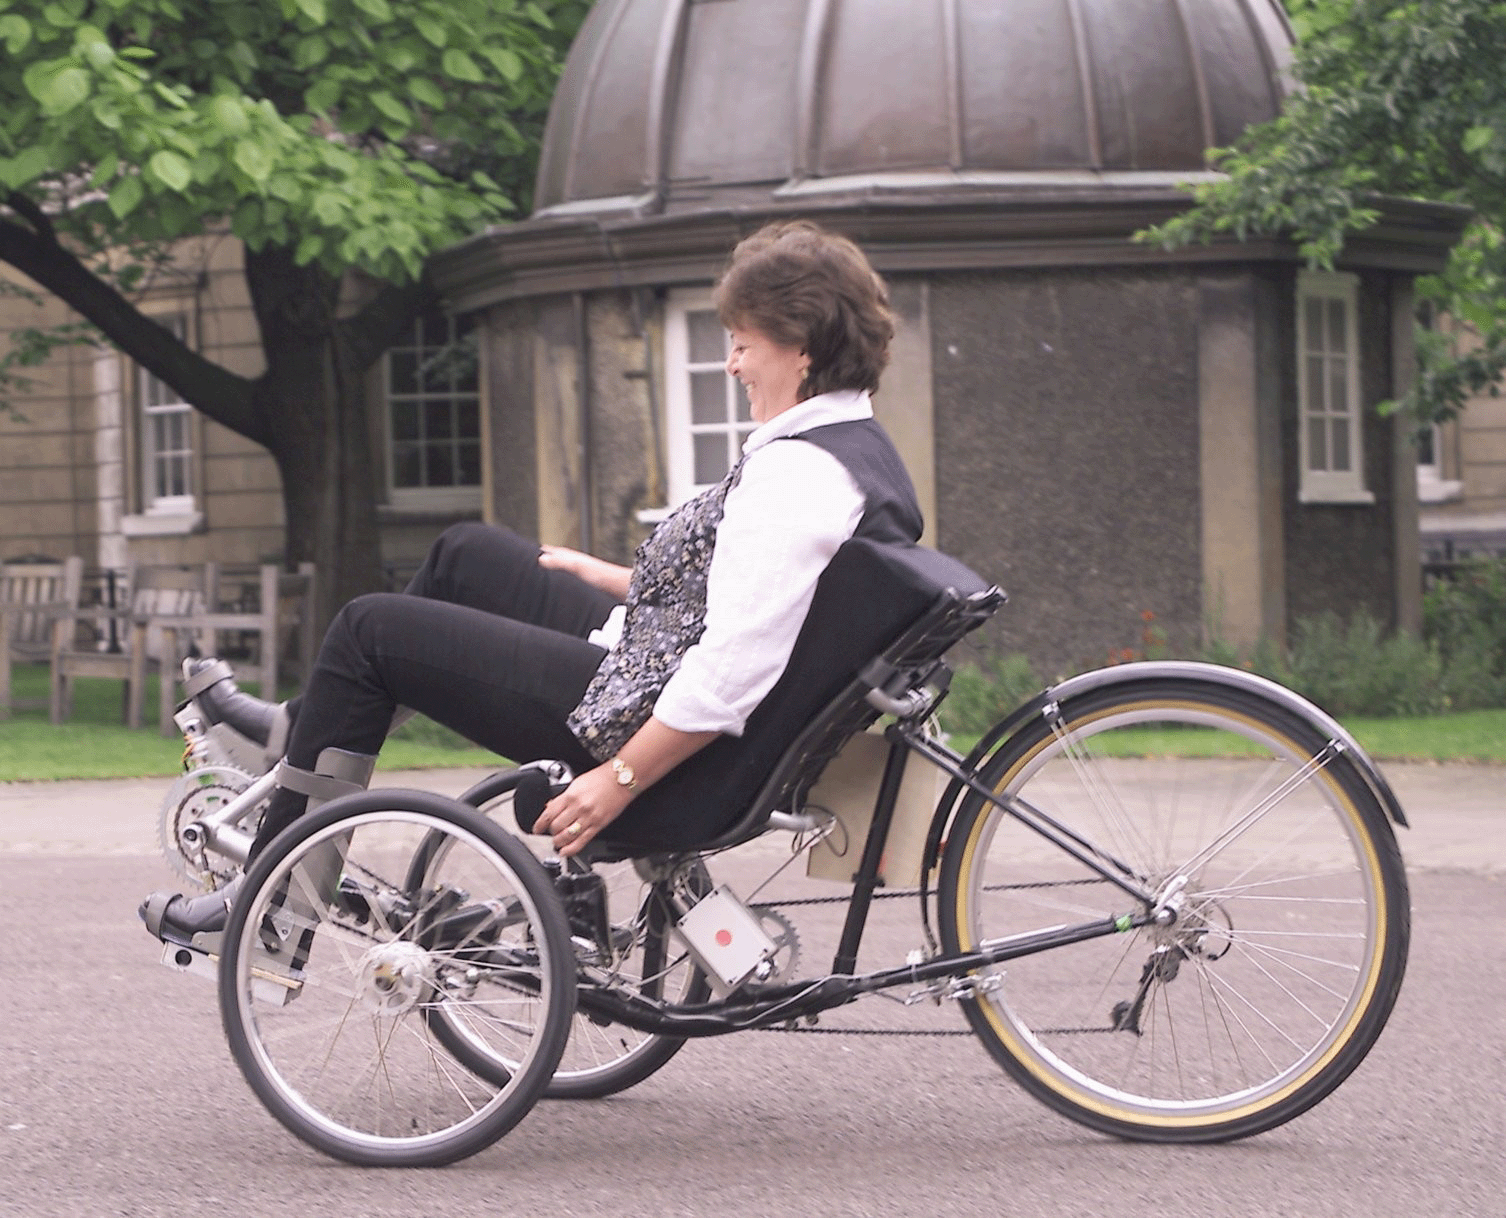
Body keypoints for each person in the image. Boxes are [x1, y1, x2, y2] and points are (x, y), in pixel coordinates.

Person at [142, 218, 923, 941]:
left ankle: (277, 902)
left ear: (803, 349)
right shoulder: (850, 444)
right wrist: (625, 580)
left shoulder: (799, 476)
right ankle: (296, 731)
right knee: (466, 553)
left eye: (743, 343)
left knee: (368, 632)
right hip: (650, 668)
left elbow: (734, 667)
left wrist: (616, 781)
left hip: (645, 724)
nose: (733, 363)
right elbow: (759, 603)